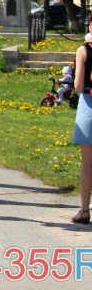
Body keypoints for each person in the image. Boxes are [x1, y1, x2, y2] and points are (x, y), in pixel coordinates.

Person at [71, 22, 92, 224]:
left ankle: (84, 210)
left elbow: (78, 84)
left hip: (89, 104)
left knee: (87, 163)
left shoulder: (83, 50)